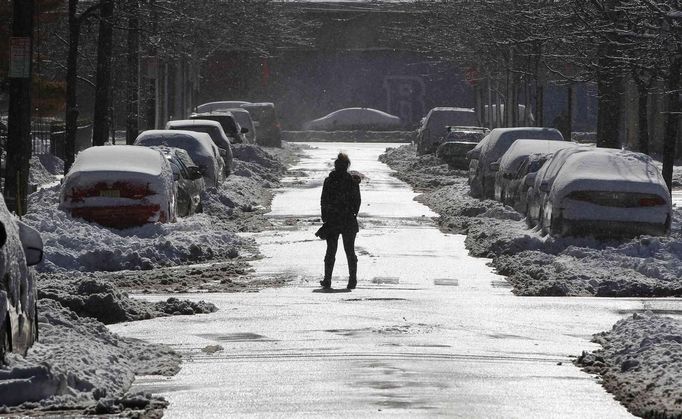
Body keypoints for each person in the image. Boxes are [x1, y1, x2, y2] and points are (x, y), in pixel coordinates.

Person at [319, 153, 361, 289]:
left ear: (336, 166)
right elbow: (357, 201)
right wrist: (353, 213)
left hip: (333, 220)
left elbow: (323, 200)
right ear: (347, 166)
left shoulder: (329, 181)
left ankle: (327, 280)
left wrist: (325, 217)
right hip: (348, 220)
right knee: (350, 251)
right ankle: (352, 280)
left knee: (331, 250)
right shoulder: (352, 182)